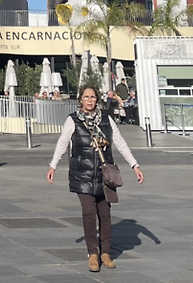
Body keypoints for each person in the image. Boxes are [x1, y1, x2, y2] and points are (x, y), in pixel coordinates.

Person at [47, 85, 143, 272]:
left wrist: (135, 165)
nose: (89, 100)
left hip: (103, 175)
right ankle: (92, 253)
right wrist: (53, 165)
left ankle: (105, 252)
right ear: (80, 100)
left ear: (97, 99)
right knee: (89, 212)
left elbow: (120, 143)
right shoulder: (73, 120)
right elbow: (63, 143)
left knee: (105, 214)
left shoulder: (107, 120)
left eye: (92, 97)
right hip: (82, 174)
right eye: (86, 97)